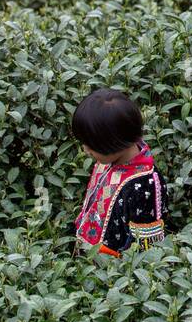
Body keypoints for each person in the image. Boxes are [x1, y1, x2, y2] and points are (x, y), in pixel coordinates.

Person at [71, 88, 166, 256]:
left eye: (91, 144)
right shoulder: (106, 160)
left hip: (111, 273)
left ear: (114, 142)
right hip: (87, 258)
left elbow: (146, 248)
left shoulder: (145, 184)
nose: (85, 149)